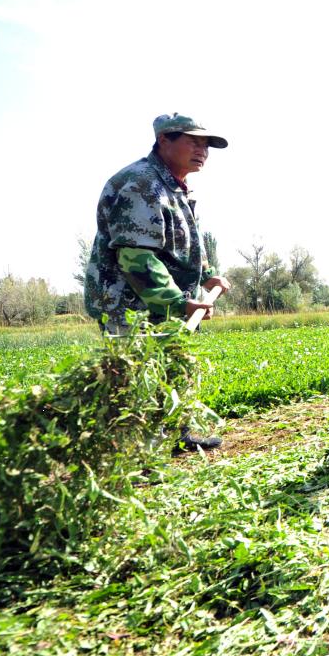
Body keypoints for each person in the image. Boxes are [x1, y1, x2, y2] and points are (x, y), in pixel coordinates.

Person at [83, 112, 232, 451]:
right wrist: (178, 303)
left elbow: (183, 244)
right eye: (193, 141)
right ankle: (134, 457)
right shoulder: (140, 184)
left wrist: (207, 275)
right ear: (164, 140)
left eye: (206, 143)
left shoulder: (174, 187)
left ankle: (176, 437)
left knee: (172, 366)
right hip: (128, 305)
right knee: (136, 378)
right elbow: (137, 257)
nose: (202, 149)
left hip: (162, 303)